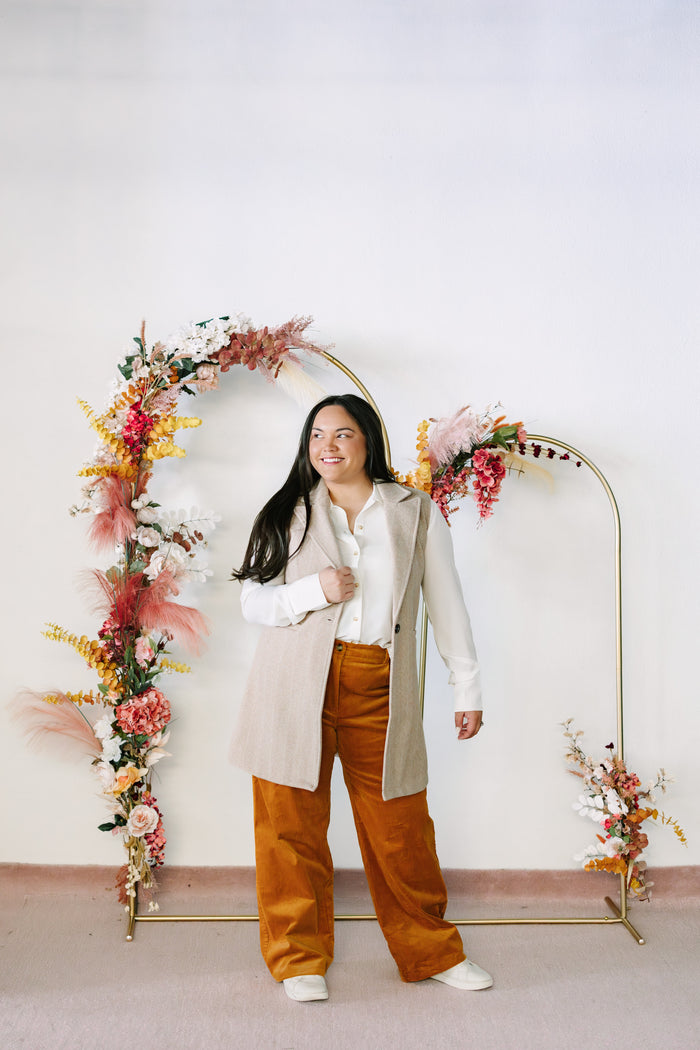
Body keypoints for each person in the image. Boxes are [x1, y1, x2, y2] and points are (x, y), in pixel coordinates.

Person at [230, 393, 492, 1002]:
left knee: (400, 827)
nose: (328, 446)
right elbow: (252, 602)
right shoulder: (285, 510)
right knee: (287, 827)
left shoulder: (413, 511)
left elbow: (445, 603)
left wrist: (466, 686)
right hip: (293, 685)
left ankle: (431, 950)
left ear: (368, 440)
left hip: (379, 682)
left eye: (342, 434)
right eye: (317, 434)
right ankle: (299, 959)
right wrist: (312, 592)